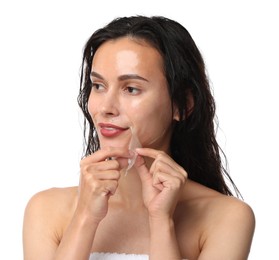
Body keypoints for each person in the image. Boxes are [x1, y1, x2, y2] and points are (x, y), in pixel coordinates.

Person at [23, 15, 255, 260]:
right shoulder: (46, 209)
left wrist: (161, 221)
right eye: (98, 86)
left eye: (131, 89)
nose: (106, 108)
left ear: (182, 106)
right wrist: (85, 218)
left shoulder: (226, 217)